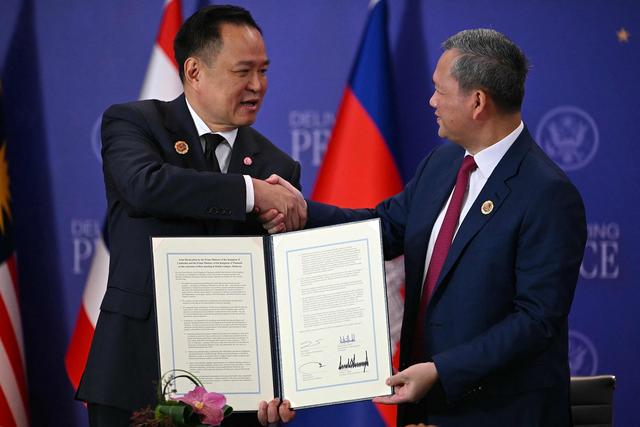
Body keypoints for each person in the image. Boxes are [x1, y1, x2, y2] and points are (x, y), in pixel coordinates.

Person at [262, 29, 587, 426]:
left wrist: (441, 371)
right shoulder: (442, 164)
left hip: (496, 413)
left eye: (439, 90)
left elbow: (536, 321)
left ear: (477, 101)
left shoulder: (547, 194)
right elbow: (383, 228)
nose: (431, 101)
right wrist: (301, 212)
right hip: (422, 407)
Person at [77, 5, 300, 426]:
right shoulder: (134, 123)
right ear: (194, 71)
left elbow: (277, 285)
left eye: (264, 71)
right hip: (134, 370)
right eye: (243, 71)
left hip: (236, 387)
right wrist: (251, 192)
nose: (257, 85)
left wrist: (283, 379)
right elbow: (145, 186)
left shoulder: (278, 167)